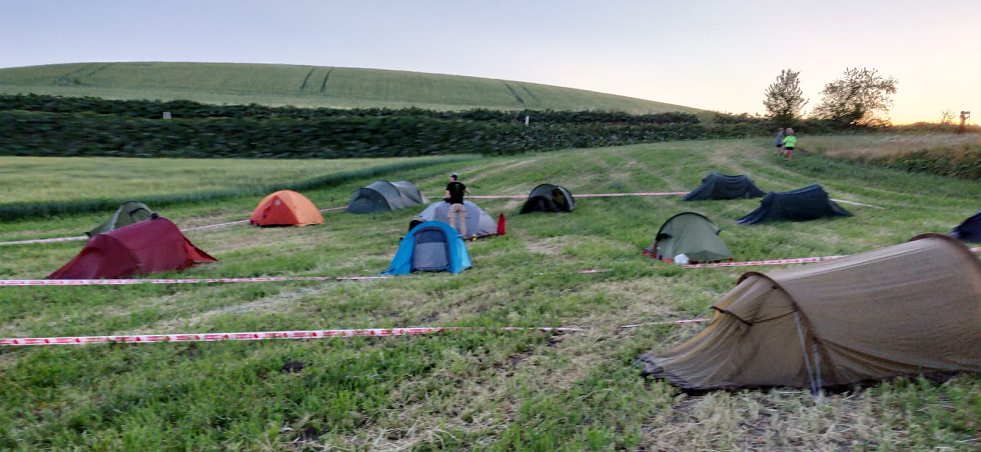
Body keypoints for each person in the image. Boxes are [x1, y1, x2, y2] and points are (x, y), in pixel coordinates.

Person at [444, 173, 471, 238]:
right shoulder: (461, 184)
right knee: (462, 221)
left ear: (453, 178)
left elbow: (447, 196)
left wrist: (450, 196)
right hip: (461, 205)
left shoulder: (449, 185)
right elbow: (469, 192)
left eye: (450, 178)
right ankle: (464, 236)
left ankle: (453, 236)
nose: (450, 179)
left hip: (453, 205)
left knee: (452, 222)